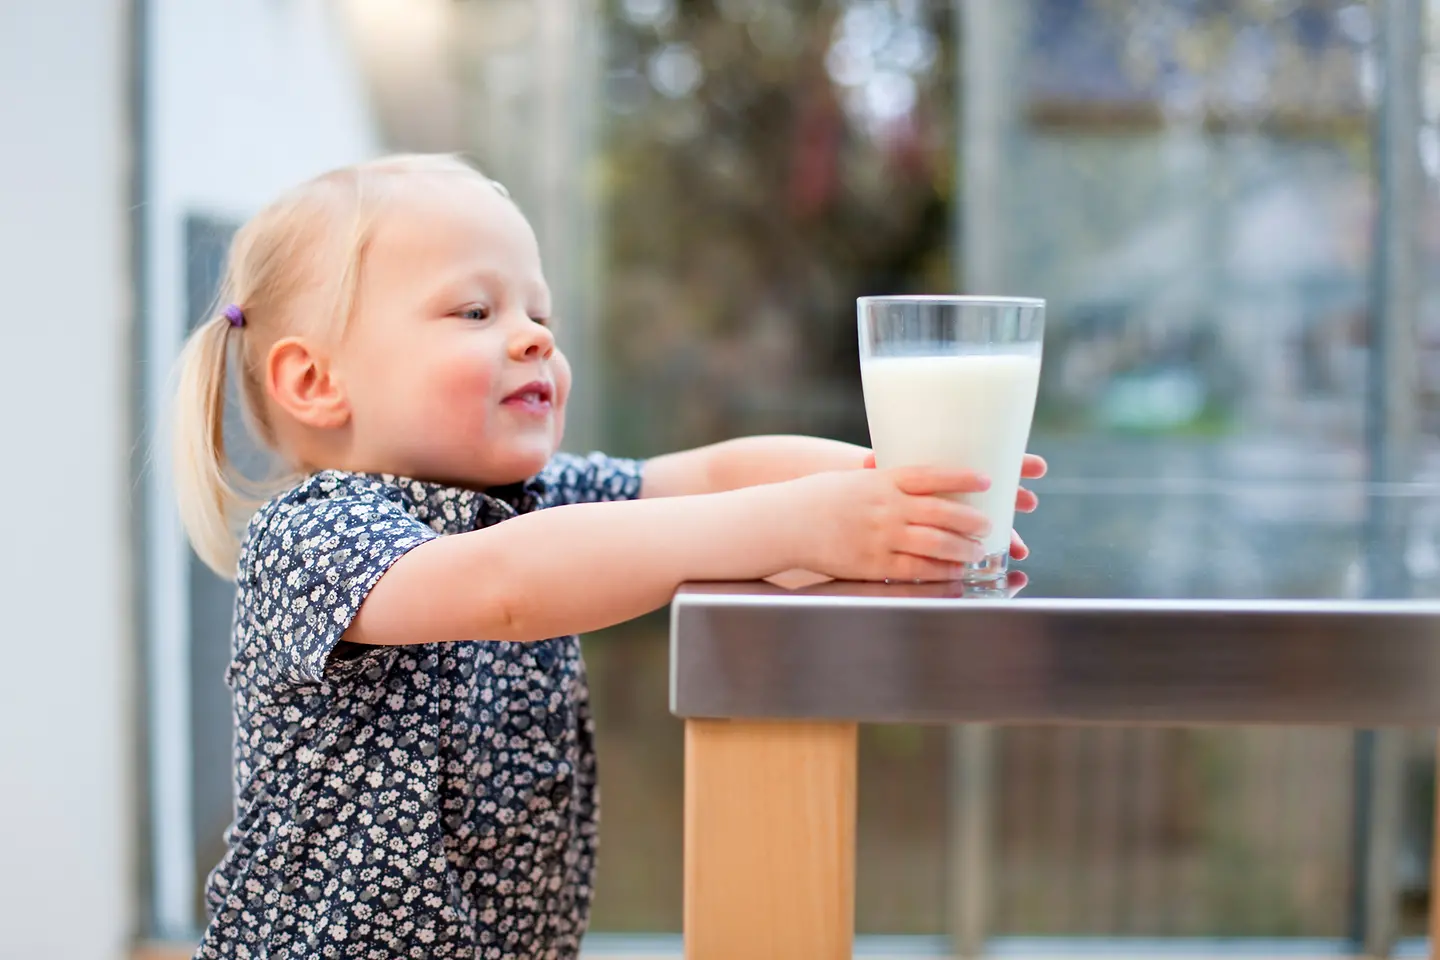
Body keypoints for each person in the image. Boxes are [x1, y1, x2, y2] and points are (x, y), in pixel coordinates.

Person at [171, 153, 1045, 959]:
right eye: (476, 312)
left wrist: (903, 492)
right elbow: (507, 586)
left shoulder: (533, 501)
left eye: (539, 313)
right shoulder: (313, 533)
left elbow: (713, 473)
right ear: (316, 382)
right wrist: (799, 524)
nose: (533, 337)